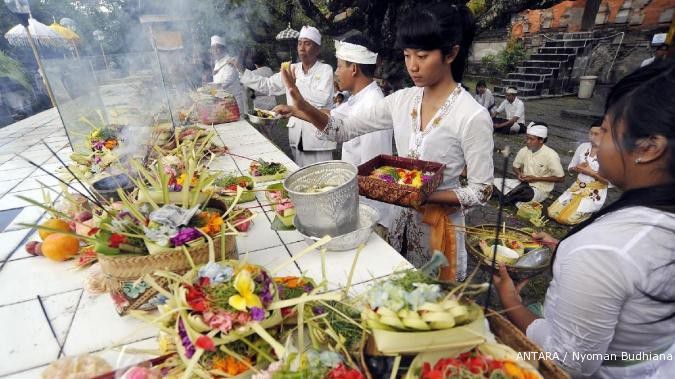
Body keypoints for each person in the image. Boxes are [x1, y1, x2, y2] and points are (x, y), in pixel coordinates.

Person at [274, 3, 494, 281]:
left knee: (432, 302)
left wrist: (422, 195)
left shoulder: (472, 116)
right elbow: (342, 129)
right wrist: (301, 102)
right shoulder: (402, 101)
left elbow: (481, 190)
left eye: (422, 56)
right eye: (406, 55)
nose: (412, 65)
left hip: (439, 231)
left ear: (450, 53)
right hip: (400, 223)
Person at [494, 61, 675, 379]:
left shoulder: (603, 250)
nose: (596, 142)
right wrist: (562, 245)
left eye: (605, 130)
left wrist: (510, 302)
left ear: (648, 148)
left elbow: (570, 362)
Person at [240, 26, 335, 167]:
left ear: (317, 49)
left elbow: (322, 98)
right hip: (296, 135)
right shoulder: (291, 68)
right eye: (300, 43)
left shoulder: (325, 69)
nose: (302, 47)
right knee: (300, 179)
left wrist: (293, 84)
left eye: (307, 43)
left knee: (322, 181)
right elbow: (267, 85)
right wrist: (242, 72)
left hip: (317, 138)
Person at [548, 119, 610, 225]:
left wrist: (592, 173)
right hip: (577, 187)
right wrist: (577, 168)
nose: (592, 136)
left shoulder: (610, 153)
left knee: (567, 219)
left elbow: (610, 181)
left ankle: (589, 212)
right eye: (591, 133)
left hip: (594, 193)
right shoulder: (583, 147)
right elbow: (571, 168)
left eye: (596, 134)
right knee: (552, 213)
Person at [493, 122, 564, 205]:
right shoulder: (524, 150)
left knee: (526, 192)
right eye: (527, 138)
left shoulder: (551, 155)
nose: (528, 141)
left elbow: (561, 178)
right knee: (494, 181)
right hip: (522, 184)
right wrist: (519, 174)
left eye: (531, 139)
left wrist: (536, 179)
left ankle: (505, 197)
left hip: (539, 189)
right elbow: (515, 167)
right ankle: (510, 198)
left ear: (541, 140)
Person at [210, 35, 247, 115]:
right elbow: (216, 80)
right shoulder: (217, 63)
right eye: (213, 48)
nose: (215, 51)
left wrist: (211, 88)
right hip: (221, 101)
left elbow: (228, 80)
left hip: (233, 101)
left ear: (223, 49)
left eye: (217, 48)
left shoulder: (230, 61)